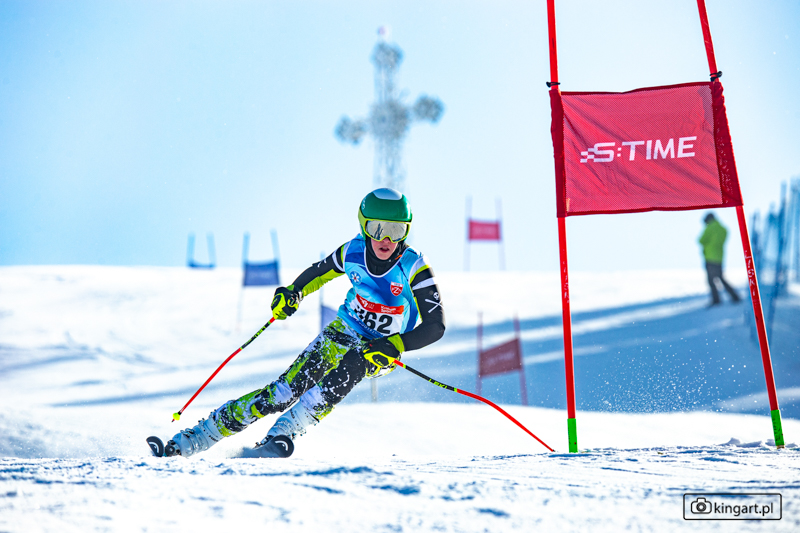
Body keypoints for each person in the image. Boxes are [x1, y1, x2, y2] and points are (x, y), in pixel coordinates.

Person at [163, 188, 446, 458]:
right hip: (346, 329)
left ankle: (283, 434)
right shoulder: (353, 252)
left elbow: (435, 325)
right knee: (283, 392)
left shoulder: (414, 265)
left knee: (352, 367)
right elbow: (319, 273)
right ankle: (198, 436)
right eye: (377, 228)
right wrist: (293, 292)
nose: (386, 239)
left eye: (397, 230)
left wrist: (397, 344)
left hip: (383, 346)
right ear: (363, 226)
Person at [699, 213, 740, 307]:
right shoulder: (722, 228)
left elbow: (701, 240)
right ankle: (735, 296)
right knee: (720, 277)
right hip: (719, 257)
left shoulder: (709, 228)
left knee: (711, 280)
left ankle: (716, 300)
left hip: (710, 257)